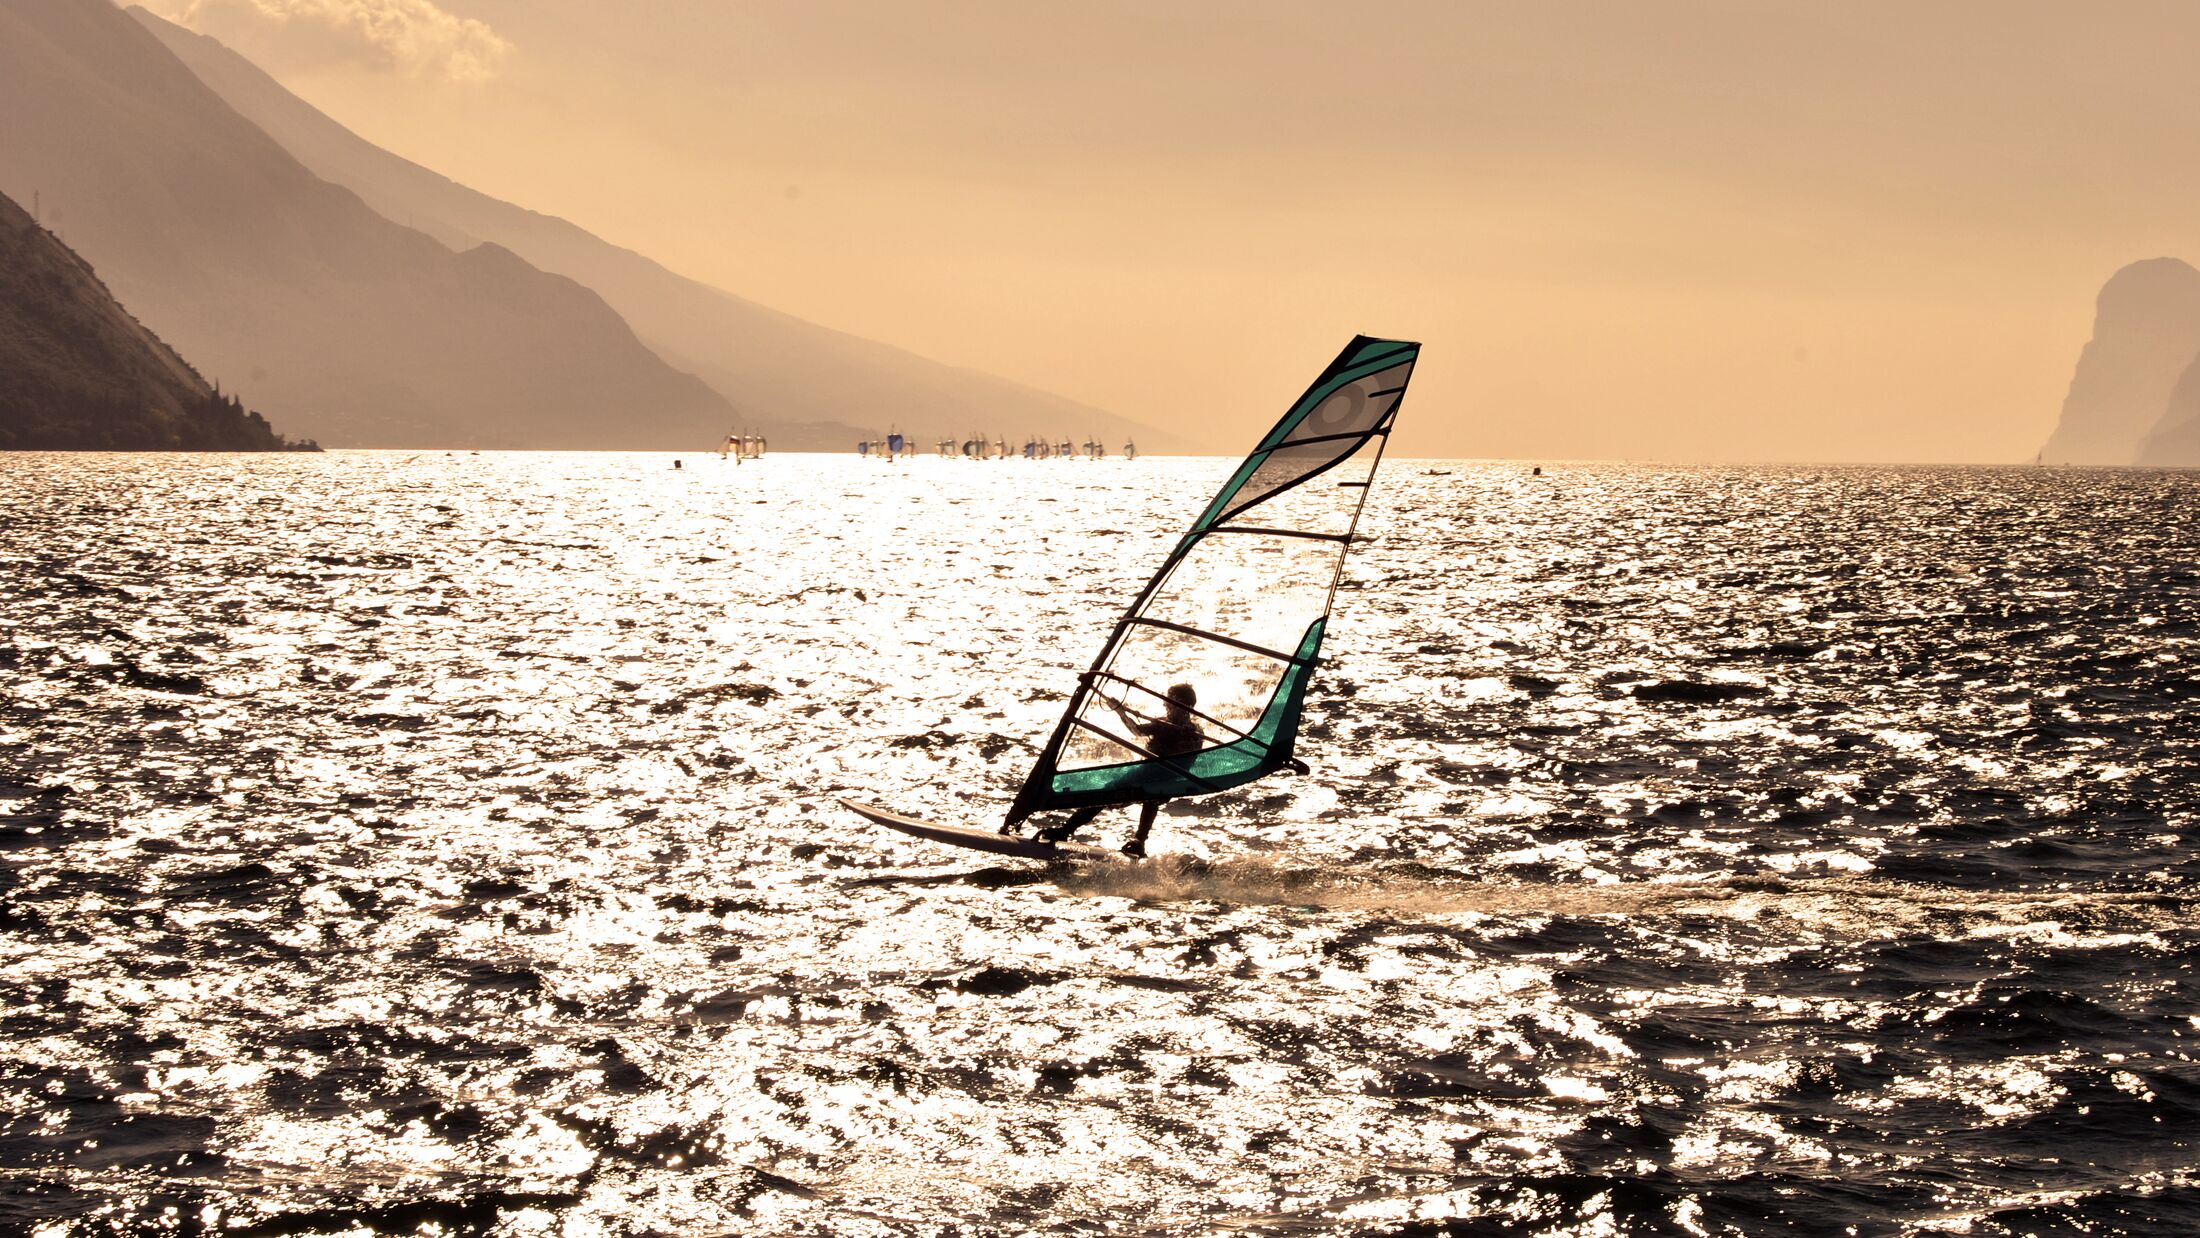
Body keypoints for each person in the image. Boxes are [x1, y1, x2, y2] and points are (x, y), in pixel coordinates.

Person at [1038, 682, 1204, 858]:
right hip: (1169, 783)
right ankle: (1140, 841)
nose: (1165, 704)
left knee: (1106, 793)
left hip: (1150, 775)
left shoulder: (1173, 727)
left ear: (1179, 703)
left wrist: (1119, 711)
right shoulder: (1195, 729)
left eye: (1168, 701)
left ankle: (1065, 830)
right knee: (1151, 800)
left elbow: (1137, 730)